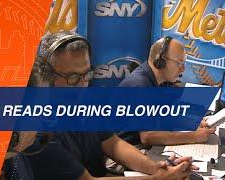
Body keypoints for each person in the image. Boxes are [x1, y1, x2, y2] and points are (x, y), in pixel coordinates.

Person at [22, 32, 196, 180]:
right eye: (73, 77)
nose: (83, 84)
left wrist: (156, 168)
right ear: (46, 78)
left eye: (87, 74)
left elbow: (112, 143)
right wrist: (156, 178)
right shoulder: (36, 131)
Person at [118, 37, 216, 147]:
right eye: (179, 63)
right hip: (121, 153)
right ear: (160, 61)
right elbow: (148, 136)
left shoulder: (158, 81)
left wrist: (191, 123)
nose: (183, 69)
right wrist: (194, 136)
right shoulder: (139, 85)